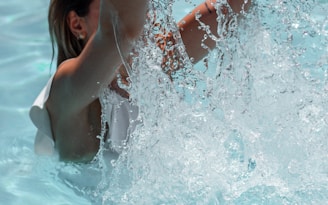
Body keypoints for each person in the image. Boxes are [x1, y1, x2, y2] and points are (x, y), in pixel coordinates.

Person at [30, 0, 251, 163]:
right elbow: (122, 31)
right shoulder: (67, 92)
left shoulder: (154, 65)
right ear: (77, 24)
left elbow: (232, 8)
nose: (147, 11)